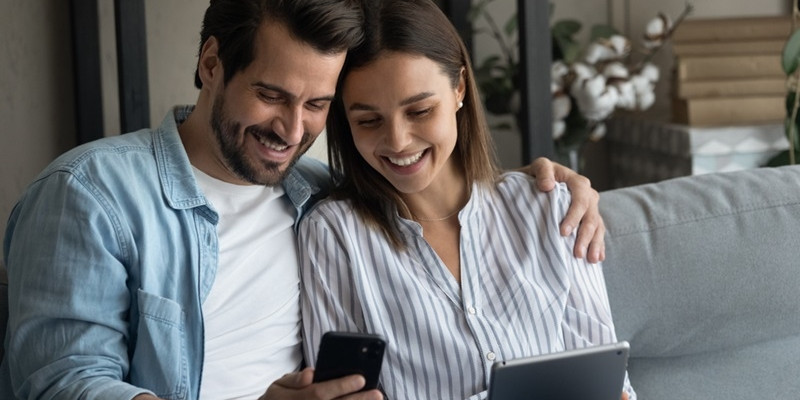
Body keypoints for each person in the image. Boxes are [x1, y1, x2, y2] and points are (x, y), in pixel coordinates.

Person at [1, 1, 604, 399]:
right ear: (211, 64)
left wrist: (541, 189)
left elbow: (433, 179)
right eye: (271, 95)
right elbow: (61, 384)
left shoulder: (312, 193)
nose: (291, 130)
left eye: (317, 104)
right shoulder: (91, 193)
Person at [298, 0, 635, 399]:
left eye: (420, 110)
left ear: (459, 88)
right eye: (368, 120)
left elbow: (612, 388)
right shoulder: (334, 235)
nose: (398, 142)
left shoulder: (552, 208)